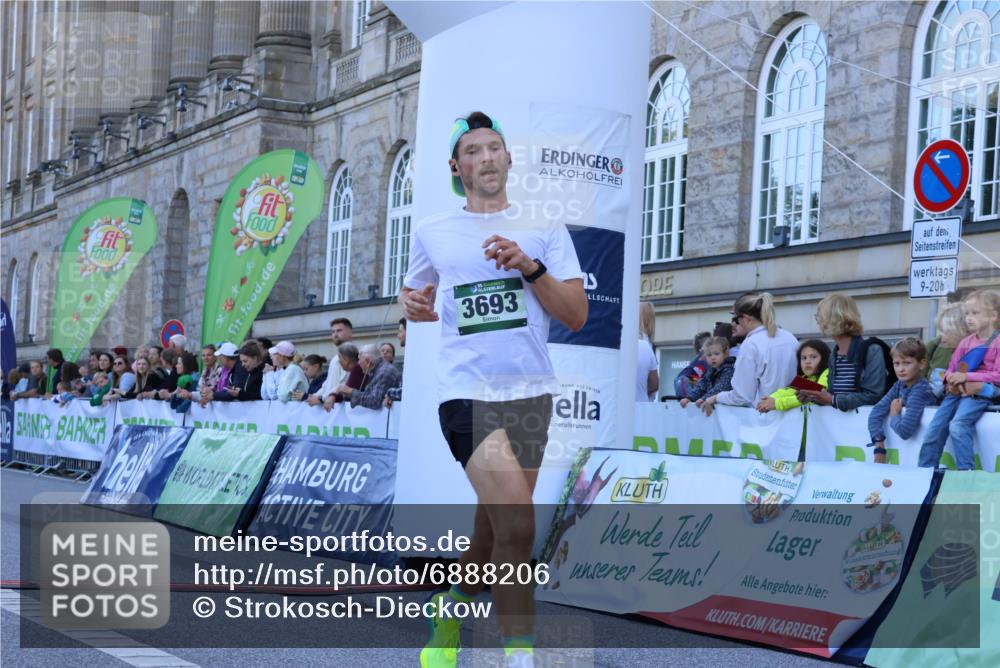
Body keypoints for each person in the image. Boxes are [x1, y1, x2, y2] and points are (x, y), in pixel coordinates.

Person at [401, 111, 587, 668]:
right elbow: (413, 300)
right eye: (473, 151)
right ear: (457, 167)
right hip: (466, 393)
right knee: (520, 524)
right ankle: (520, 658)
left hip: (530, 395)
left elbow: (575, 315)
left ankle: (452, 605)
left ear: (509, 159)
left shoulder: (544, 226)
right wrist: (410, 308)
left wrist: (529, 268)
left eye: (494, 148)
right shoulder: (433, 229)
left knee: (492, 537)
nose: (485, 158)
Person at [918, 289, 1000, 470]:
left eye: (975, 313)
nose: (969, 318)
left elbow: (998, 375)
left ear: (993, 315)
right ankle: (924, 474)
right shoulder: (966, 342)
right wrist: (950, 382)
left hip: (978, 393)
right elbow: (951, 369)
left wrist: (967, 377)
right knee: (933, 430)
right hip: (955, 393)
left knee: (958, 426)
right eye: (967, 314)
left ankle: (965, 473)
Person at [703, 292, 797, 411]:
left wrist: (716, 397)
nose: (734, 323)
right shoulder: (790, 338)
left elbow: (743, 395)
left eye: (736, 318)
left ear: (746, 318)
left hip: (764, 418)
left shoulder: (751, 344)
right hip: (794, 416)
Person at [798, 293, 888, 411]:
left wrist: (832, 399)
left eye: (819, 316)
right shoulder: (834, 354)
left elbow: (874, 396)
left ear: (833, 318)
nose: (818, 321)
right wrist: (814, 397)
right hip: (840, 427)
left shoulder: (872, 350)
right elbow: (833, 396)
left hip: (863, 428)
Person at [867, 338, 937, 464]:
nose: (900, 369)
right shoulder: (898, 385)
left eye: (907, 363)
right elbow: (876, 412)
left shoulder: (921, 390)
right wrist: (879, 443)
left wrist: (895, 414)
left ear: (921, 364)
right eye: (896, 363)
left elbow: (905, 431)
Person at [757, 339, 830, 412]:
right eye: (804, 358)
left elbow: (815, 395)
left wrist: (777, 404)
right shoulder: (804, 378)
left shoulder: (827, 372)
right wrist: (769, 400)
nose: (807, 361)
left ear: (824, 358)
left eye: (813, 357)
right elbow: (787, 391)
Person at [680, 336, 735, 415]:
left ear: (726, 353)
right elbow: (701, 386)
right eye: (709, 355)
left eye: (716, 354)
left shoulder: (729, 370)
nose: (713, 358)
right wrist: (690, 398)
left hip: (728, 413)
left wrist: (704, 398)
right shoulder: (710, 371)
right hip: (713, 411)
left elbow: (721, 388)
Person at [337, 344, 401, 410]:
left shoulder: (384, 372)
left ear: (367, 362)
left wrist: (351, 391)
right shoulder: (376, 370)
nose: (359, 363)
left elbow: (375, 401)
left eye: (360, 360)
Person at [924, 302, 968, 396]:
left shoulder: (984, 351)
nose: (943, 339)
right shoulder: (933, 346)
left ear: (960, 330)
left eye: (946, 332)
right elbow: (918, 383)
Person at [307, 318, 354, 406]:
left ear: (350, 333)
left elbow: (344, 384)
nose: (335, 334)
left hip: (340, 406)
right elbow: (328, 383)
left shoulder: (352, 355)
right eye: (333, 332)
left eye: (339, 331)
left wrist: (321, 398)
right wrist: (316, 395)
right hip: (330, 406)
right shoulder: (335, 358)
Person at [674, 331, 711, 399]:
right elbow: (689, 378)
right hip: (683, 381)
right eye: (709, 345)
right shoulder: (702, 357)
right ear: (701, 350)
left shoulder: (706, 362)